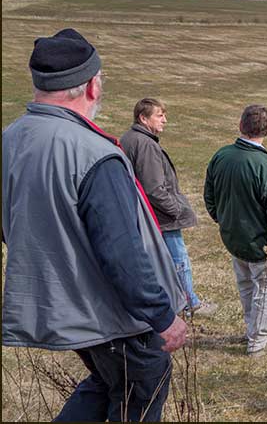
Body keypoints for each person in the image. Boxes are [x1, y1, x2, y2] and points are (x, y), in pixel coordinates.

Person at [2, 28, 187, 422]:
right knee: (145, 379)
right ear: (90, 86)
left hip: (65, 307)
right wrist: (163, 318)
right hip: (111, 315)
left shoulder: (10, 140)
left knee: (108, 381)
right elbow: (122, 254)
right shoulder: (93, 153)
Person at [121, 98, 217, 317]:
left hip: (145, 214)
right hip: (160, 216)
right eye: (159, 115)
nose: (164, 120)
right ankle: (188, 303)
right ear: (143, 118)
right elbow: (154, 188)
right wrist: (176, 210)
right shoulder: (145, 144)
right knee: (178, 260)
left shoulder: (131, 138)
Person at [204, 105, 267, 356]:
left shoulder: (221, 156)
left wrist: (224, 220)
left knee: (247, 288)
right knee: (265, 291)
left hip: (234, 239)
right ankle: (258, 342)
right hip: (261, 245)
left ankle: (252, 330)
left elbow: (210, 196)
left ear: (241, 126)